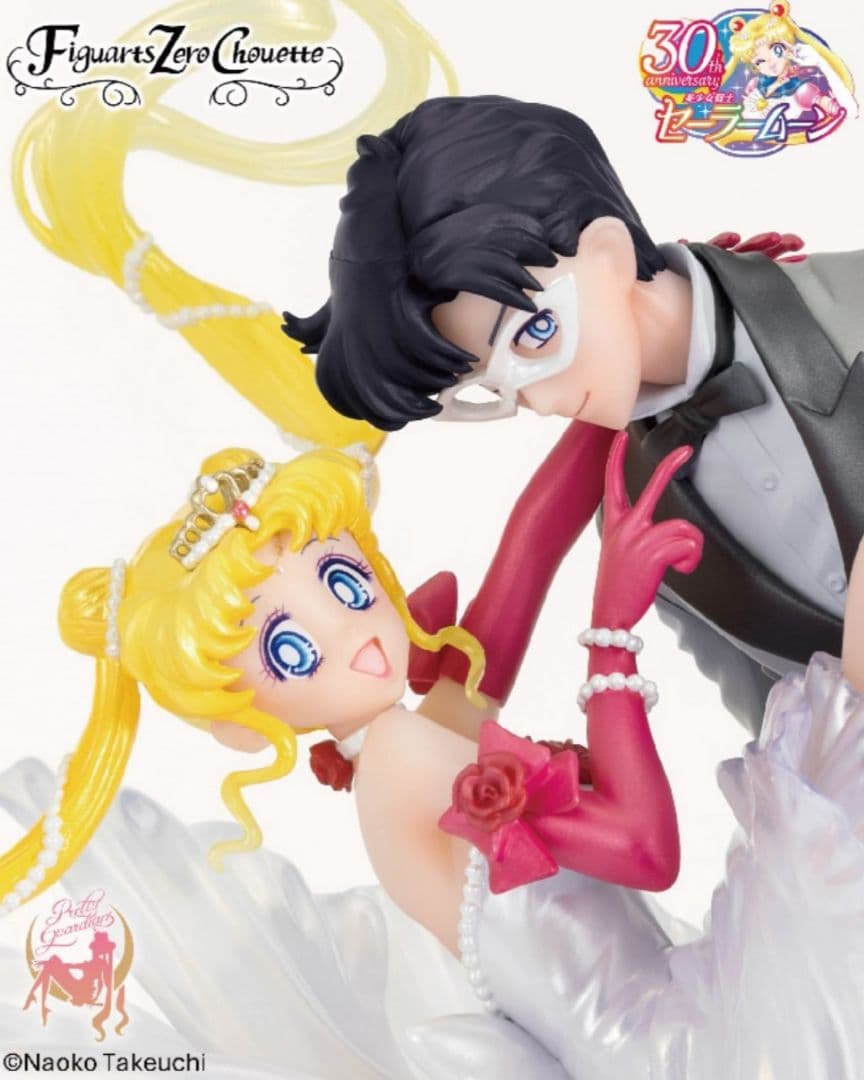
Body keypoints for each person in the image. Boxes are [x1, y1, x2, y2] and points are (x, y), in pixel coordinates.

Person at [3, 439, 864, 1078]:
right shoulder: (403, 762)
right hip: (685, 1054)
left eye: (343, 583)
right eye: (291, 650)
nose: (353, 633)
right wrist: (612, 631)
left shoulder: (409, 737)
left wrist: (612, 401)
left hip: (682, 1009)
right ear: (242, 726)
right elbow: (647, 851)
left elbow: (527, 553)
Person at [284, 93, 864, 733]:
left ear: (609, 253)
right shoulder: (635, 516)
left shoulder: (847, 300)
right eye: (487, 388)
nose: (539, 400)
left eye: (535, 335)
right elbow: (773, 717)